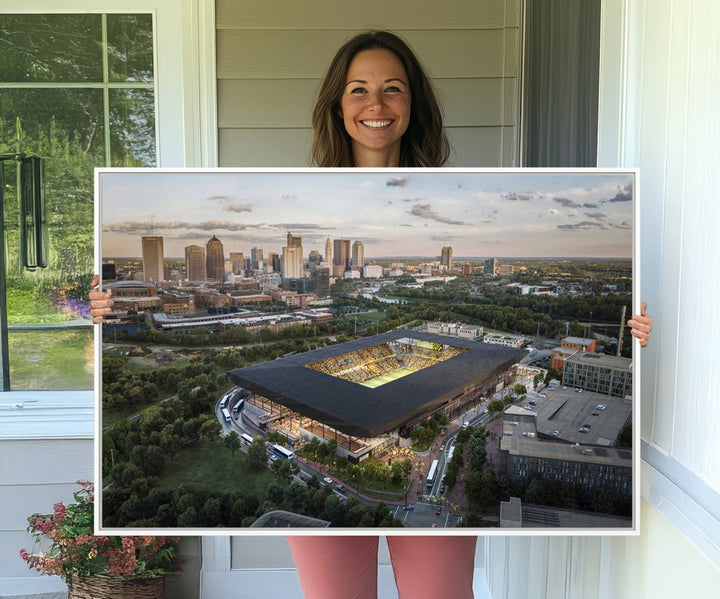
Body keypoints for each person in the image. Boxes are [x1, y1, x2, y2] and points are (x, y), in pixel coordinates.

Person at [89, 29, 653, 599]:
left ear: (413, 105)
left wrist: (633, 338)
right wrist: (103, 310)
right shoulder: (298, 195)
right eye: (358, 89)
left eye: (393, 89)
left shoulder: (460, 190)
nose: (376, 105)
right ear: (338, 104)